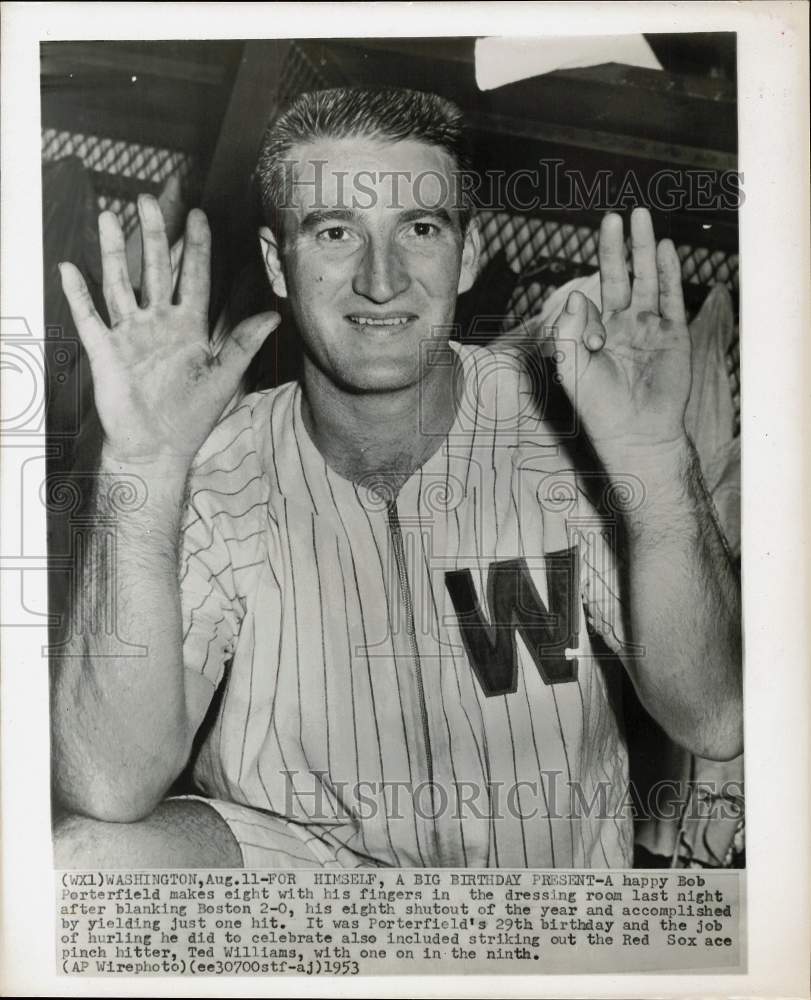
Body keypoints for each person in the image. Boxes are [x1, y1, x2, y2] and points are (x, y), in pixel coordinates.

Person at [51, 86, 742, 869]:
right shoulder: (219, 467)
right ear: (279, 263)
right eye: (336, 232)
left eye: (418, 229)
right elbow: (108, 784)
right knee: (86, 866)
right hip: (319, 894)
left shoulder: (569, 430)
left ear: (468, 253)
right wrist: (140, 468)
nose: (381, 281)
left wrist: (654, 462)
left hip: (540, 908)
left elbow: (714, 720)